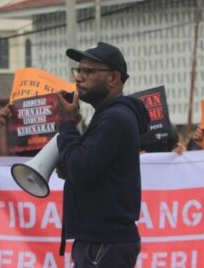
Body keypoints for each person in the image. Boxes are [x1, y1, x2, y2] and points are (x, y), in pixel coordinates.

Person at [55, 42, 150, 267]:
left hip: (103, 244)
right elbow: (81, 167)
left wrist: (68, 123)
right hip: (101, 241)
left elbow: (80, 169)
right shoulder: (108, 117)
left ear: (114, 79)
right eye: (78, 70)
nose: (79, 77)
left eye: (88, 71)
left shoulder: (114, 118)